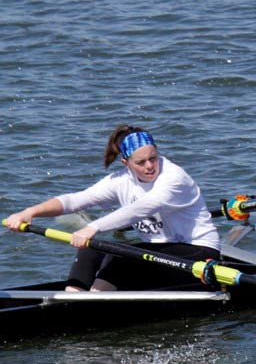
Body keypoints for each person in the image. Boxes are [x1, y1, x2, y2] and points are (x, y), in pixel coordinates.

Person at [2, 125, 221, 291]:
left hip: (199, 254)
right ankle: (73, 297)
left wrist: (93, 227)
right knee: (91, 247)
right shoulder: (120, 181)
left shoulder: (174, 177)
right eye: (141, 162)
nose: (149, 166)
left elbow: (144, 207)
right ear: (126, 164)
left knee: (120, 258)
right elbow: (75, 200)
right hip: (158, 256)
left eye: (153, 158)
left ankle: (93, 304)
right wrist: (29, 212)